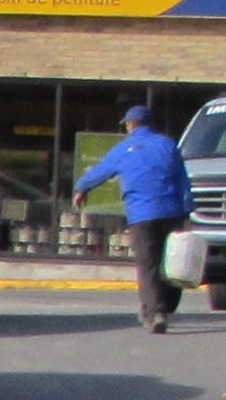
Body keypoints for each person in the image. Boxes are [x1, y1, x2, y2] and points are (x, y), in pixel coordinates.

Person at [75, 106, 194, 333]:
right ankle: (167, 305)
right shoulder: (168, 145)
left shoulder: (124, 149)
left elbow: (101, 171)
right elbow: (183, 181)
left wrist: (82, 188)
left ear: (131, 125)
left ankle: (156, 312)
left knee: (148, 264)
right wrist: (187, 211)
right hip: (171, 211)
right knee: (170, 261)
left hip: (142, 215)